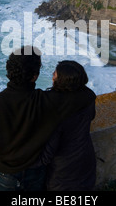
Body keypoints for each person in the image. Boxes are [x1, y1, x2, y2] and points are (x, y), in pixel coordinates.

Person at [0, 46, 96, 191]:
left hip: (5, 173)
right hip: (36, 171)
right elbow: (86, 96)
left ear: (8, 70)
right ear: (35, 76)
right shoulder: (45, 102)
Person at [40, 60, 96, 191]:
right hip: (85, 158)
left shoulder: (53, 104)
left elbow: (52, 142)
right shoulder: (89, 96)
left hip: (63, 167)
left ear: (62, 80)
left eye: (55, 73)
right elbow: (91, 116)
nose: (52, 74)